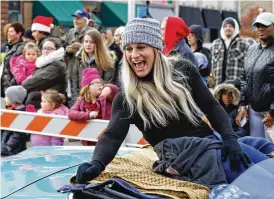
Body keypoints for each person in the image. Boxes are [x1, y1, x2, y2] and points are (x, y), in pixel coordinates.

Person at [75, 18, 274, 184]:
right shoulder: (127, 97)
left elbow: (212, 106)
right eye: (128, 48)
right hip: (184, 156)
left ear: (156, 49)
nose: (134, 55)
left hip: (211, 142)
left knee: (262, 155)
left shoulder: (182, 71)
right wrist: (96, 164)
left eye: (141, 47)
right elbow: (113, 135)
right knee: (265, 182)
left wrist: (229, 138)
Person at [237, 12, 274, 139]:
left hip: (270, 112)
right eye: (257, 25)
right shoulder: (251, 49)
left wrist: (272, 112)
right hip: (253, 111)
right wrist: (243, 106)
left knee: (271, 152)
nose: (260, 29)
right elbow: (244, 79)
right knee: (258, 149)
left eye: (265, 25)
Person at [68, 68, 118, 145]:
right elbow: (71, 113)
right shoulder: (81, 101)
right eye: (95, 83)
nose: (100, 85)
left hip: (106, 140)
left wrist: (108, 87)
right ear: (87, 88)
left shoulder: (105, 97)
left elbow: (115, 90)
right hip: (89, 140)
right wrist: (88, 115)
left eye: (100, 82)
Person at [71, 30, 115, 105]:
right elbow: (75, 81)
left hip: (98, 102)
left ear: (98, 44)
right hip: (80, 102)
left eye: (91, 42)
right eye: (86, 41)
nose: (88, 44)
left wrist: (95, 101)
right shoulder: (79, 58)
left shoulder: (106, 60)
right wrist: (77, 100)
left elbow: (107, 83)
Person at [22, 37, 66, 109]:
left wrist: (25, 82)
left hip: (51, 101)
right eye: (44, 48)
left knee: (31, 97)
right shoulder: (41, 62)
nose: (46, 51)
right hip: (42, 98)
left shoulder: (57, 65)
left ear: (57, 50)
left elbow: (34, 82)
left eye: (50, 48)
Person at [211, 17, 249, 86]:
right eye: (225, 26)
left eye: (231, 26)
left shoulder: (244, 44)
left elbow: (248, 67)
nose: (228, 28)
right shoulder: (215, 43)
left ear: (235, 29)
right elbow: (212, 66)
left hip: (236, 87)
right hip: (218, 87)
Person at [64, 9, 94, 99]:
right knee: (73, 94)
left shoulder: (92, 32)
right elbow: (63, 48)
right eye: (74, 19)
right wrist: (67, 50)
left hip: (87, 69)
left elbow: (98, 50)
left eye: (78, 19)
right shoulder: (70, 32)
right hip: (72, 68)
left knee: (86, 94)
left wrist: (81, 47)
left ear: (85, 20)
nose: (75, 21)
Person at [1, 86, 35, 156]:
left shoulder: (19, 114)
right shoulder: (10, 111)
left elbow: (19, 135)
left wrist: (9, 145)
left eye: (7, 97)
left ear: (13, 99)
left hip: (13, 150)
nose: (4, 98)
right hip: (6, 147)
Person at [1, 22, 25, 97]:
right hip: (5, 84)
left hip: (13, 86)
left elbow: (19, 68)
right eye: (8, 31)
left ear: (19, 33)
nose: (8, 33)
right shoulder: (9, 47)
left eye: (11, 31)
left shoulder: (21, 48)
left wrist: (12, 83)